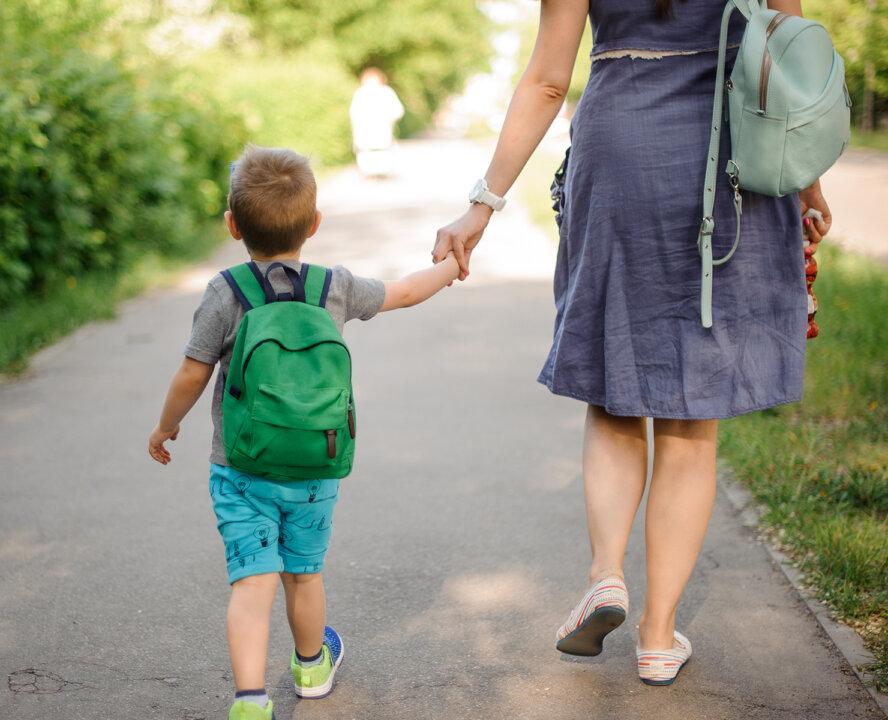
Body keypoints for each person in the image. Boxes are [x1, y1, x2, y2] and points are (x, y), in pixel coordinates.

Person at [431, 0, 832, 686]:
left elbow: (548, 81)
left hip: (619, 147)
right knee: (691, 409)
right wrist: (808, 188)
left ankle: (605, 574)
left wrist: (482, 204)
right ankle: (656, 637)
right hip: (729, 152)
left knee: (617, 385)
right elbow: (788, 61)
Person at [147, 145, 460, 720]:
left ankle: (249, 702)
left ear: (232, 225)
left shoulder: (227, 290)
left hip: (241, 468)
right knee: (304, 572)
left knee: (252, 581)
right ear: (314, 224)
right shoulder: (332, 287)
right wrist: (451, 265)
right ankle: (312, 667)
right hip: (316, 465)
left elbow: (193, 371)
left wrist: (165, 429)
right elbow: (405, 292)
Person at [349, 67, 405, 178]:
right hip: (364, 129)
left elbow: (398, 110)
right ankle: (368, 171)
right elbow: (353, 112)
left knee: (382, 148)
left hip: (383, 128)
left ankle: (383, 171)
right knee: (366, 149)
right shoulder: (360, 93)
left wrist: (389, 118)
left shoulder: (387, 92)